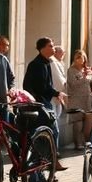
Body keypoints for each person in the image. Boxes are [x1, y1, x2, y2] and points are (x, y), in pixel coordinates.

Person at [23, 37, 68, 170]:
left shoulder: (47, 63)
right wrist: (56, 93)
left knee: (51, 133)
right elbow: (40, 87)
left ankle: (50, 162)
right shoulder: (36, 64)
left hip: (44, 103)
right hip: (38, 104)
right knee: (50, 133)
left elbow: (47, 86)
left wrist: (55, 93)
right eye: (51, 46)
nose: (53, 48)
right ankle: (49, 163)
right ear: (42, 48)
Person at [66, 50, 92, 150]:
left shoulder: (87, 69)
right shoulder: (71, 70)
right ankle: (78, 143)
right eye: (77, 57)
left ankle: (85, 140)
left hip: (87, 98)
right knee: (78, 122)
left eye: (81, 57)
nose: (79, 59)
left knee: (88, 121)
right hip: (76, 99)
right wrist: (84, 77)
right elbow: (73, 84)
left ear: (84, 59)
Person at [50, 46, 68, 122]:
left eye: (64, 53)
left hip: (59, 94)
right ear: (55, 53)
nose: (63, 54)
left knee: (57, 115)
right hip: (53, 94)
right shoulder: (52, 61)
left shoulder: (60, 63)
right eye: (61, 52)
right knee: (54, 116)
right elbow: (58, 78)